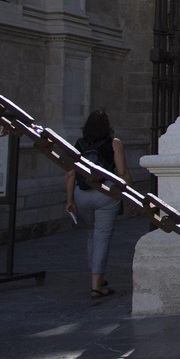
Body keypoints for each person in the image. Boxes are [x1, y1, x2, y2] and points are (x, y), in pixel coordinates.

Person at [64, 109, 128, 298]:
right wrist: (131, 196)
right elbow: (122, 173)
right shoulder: (114, 143)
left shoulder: (79, 144)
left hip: (82, 194)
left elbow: (70, 174)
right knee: (102, 237)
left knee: (92, 234)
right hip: (105, 194)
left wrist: (69, 199)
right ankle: (96, 285)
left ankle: (95, 276)